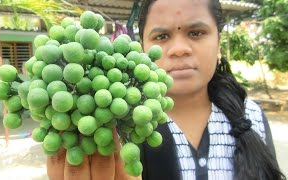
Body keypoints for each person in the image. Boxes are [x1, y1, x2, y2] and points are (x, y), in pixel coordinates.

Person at [47, 0, 286, 179]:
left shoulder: (250, 115)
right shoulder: (115, 127)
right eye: (162, 36)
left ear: (219, 41)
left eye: (196, 32)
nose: (179, 49)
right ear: (143, 47)